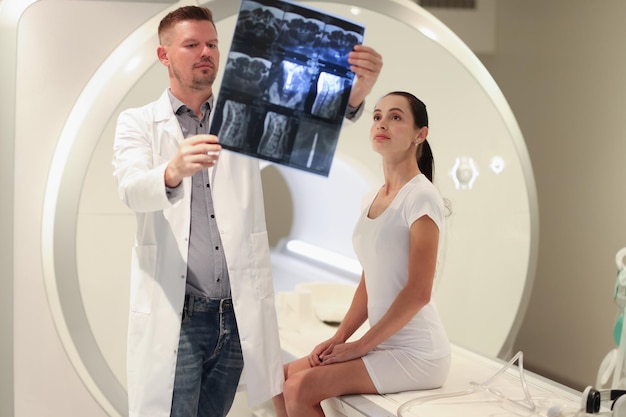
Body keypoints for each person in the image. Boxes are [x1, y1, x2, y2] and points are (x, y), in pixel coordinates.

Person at [112, 5, 382, 417]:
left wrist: (357, 92)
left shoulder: (245, 114)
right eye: (192, 45)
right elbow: (130, 189)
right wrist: (171, 170)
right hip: (179, 314)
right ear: (164, 56)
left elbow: (307, 130)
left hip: (235, 315)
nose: (206, 52)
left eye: (212, 44)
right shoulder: (138, 123)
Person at [272, 92, 451, 417]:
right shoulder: (372, 197)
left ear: (419, 134)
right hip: (382, 341)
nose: (382, 123)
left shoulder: (422, 196)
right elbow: (370, 279)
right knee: (275, 380)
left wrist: (361, 345)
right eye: (377, 116)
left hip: (416, 350)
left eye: (396, 117)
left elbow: (419, 292)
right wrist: (339, 337)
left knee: (299, 387)